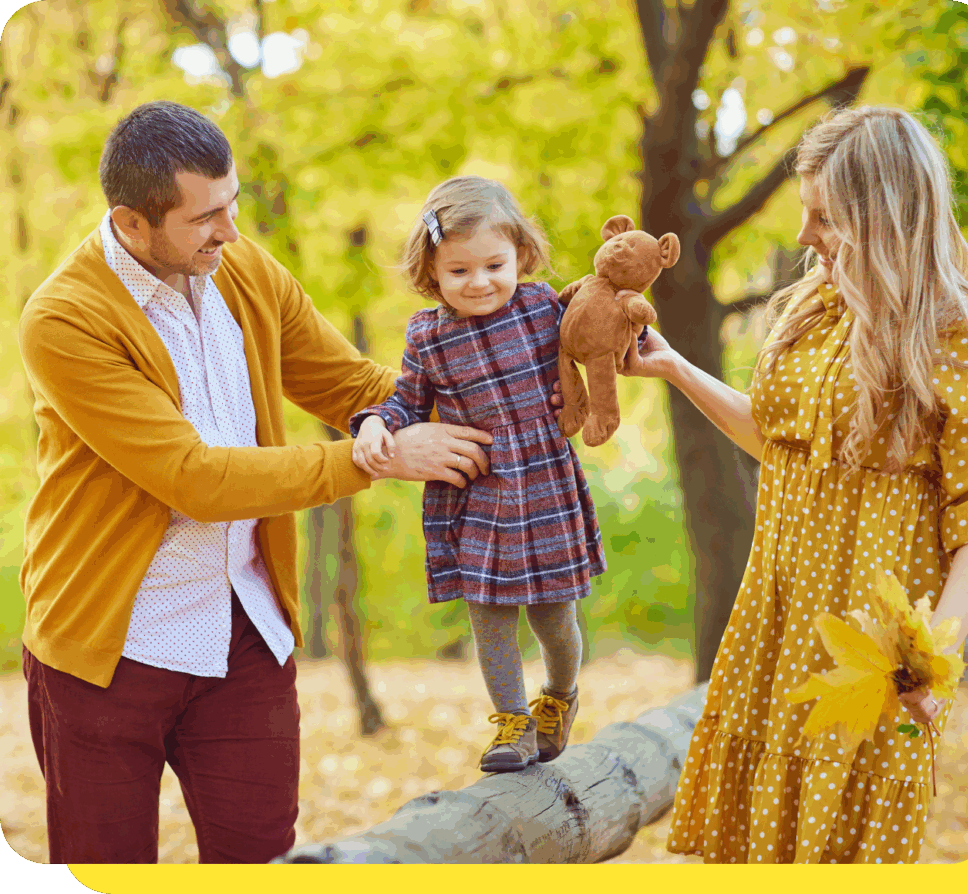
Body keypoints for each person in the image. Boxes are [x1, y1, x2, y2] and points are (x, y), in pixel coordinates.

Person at [17, 101, 498, 864]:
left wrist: (519, 369)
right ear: (132, 224)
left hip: (243, 634)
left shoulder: (241, 268)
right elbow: (193, 480)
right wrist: (371, 460)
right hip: (109, 646)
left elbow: (354, 385)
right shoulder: (65, 319)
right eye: (206, 217)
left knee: (264, 866)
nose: (231, 232)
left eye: (232, 204)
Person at [622, 106, 968, 863]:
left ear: (884, 213)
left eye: (824, 217)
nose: (802, 237)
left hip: (872, 657)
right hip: (773, 624)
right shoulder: (811, 311)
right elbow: (783, 447)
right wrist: (675, 368)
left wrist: (932, 664)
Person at [350, 176, 606, 772]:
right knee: (488, 614)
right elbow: (405, 404)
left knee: (553, 617)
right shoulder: (428, 337)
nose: (480, 282)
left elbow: (601, 336)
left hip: (541, 484)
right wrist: (372, 424)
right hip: (479, 492)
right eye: (459, 271)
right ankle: (512, 726)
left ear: (521, 254)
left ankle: (560, 696)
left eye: (495, 264)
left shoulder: (545, 308)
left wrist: (628, 333)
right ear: (432, 273)